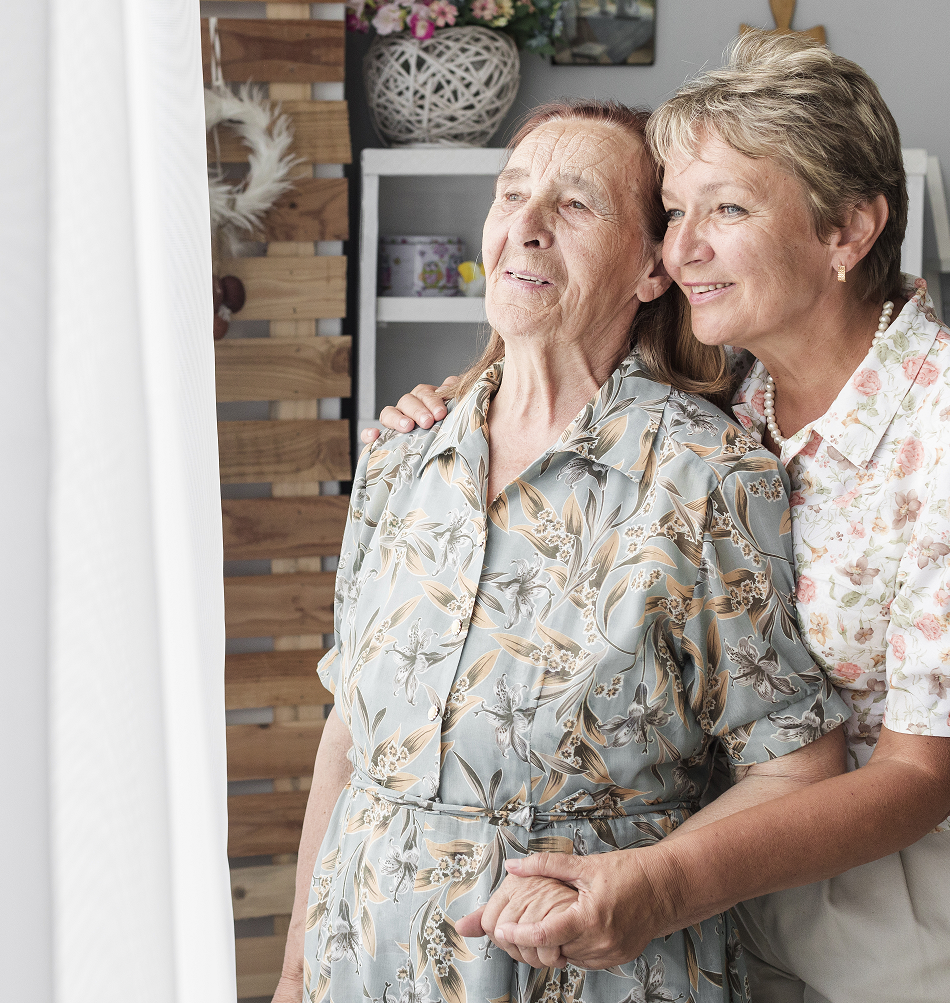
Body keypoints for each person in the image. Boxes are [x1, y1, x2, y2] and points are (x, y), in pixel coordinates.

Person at [372, 32, 950, 1003]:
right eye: (674, 214)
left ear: (849, 231)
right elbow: (559, 346)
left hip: (931, 899)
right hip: (749, 872)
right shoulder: (728, 374)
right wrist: (452, 401)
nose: (684, 248)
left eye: (730, 210)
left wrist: (662, 881)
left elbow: (925, 773)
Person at [270, 100, 851, 1003]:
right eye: (511, 195)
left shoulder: (705, 479)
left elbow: (795, 766)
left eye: (576, 206)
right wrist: (298, 968)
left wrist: (654, 888)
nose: (527, 227)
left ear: (652, 268)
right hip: (365, 962)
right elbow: (348, 734)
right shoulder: (400, 457)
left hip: (596, 973)